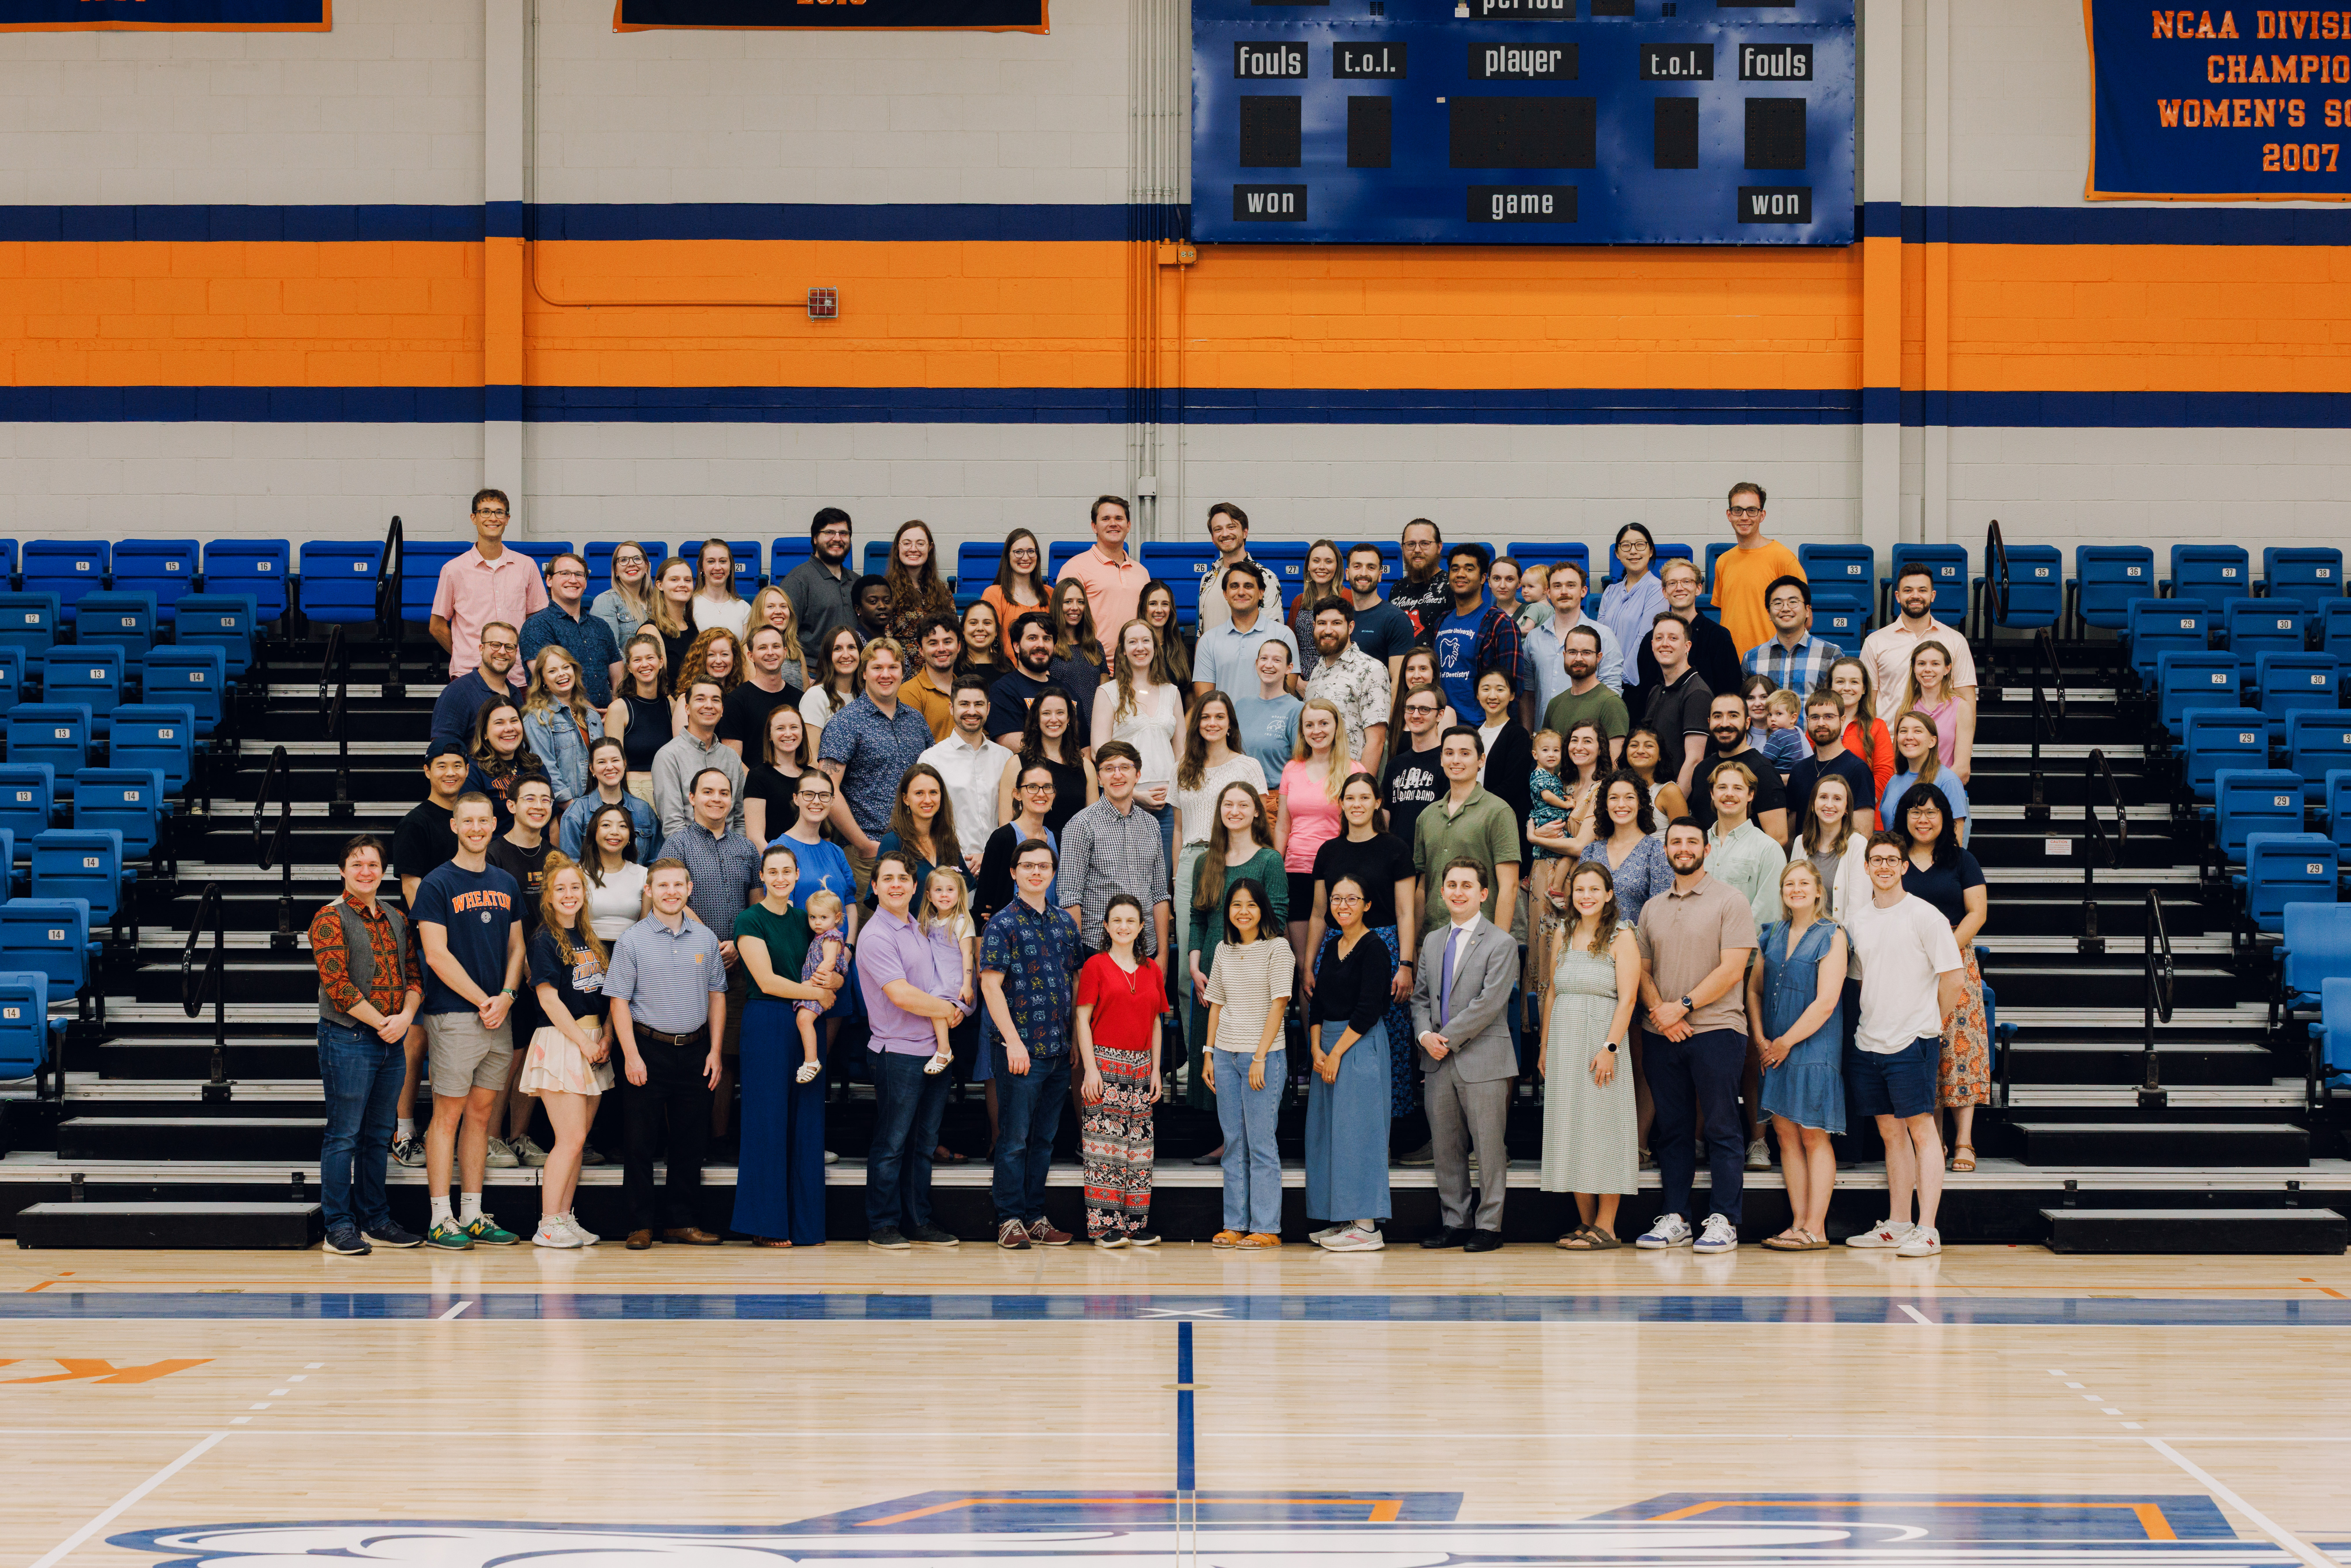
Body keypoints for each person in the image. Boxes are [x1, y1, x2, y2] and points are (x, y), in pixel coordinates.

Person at [1632, 819, 1759, 1255]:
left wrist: (1681, 1006)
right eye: (1675, 843)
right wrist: (1660, 1013)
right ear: (1665, 850)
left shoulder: (1730, 900)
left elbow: (1731, 970)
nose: (1682, 848)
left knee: (1723, 1126)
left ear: (1705, 848)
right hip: (1660, 1032)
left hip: (1717, 1029)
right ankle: (1676, 1217)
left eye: (1691, 842)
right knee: (1673, 1129)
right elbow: (1641, 972)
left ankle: (1724, 1219)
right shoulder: (1651, 907)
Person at [1843, 830, 1965, 1258]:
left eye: (1890, 860)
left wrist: (1930, 1021)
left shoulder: (1925, 916)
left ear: (1903, 866)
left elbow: (1954, 977)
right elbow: (1860, 979)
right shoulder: (1856, 921)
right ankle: (1897, 1224)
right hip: (1869, 1041)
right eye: (1875, 860)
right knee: (1889, 1134)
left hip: (1912, 1040)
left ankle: (1927, 1229)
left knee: (1921, 1131)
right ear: (1866, 867)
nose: (1882, 867)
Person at [413, 793, 525, 1250]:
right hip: (456, 1015)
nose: (477, 828)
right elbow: (436, 956)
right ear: (455, 826)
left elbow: (517, 947)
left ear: (494, 824)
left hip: (498, 1015)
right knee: (448, 1116)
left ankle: (473, 1213)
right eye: (468, 821)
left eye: (484, 820)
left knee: (480, 1117)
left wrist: (507, 996)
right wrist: (485, 1000)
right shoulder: (437, 884)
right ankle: (441, 1217)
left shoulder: (505, 881)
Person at [309, 834, 425, 1256]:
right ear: (343, 871)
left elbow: (414, 975)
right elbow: (337, 986)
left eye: (373, 864)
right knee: (344, 1135)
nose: (365, 871)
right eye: (357, 864)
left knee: (379, 1136)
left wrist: (406, 1018)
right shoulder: (329, 918)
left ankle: (376, 1219)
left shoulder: (396, 918)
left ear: (383, 871)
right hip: (348, 1037)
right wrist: (383, 1023)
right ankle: (338, 1227)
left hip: (391, 1038)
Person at [605, 858, 727, 1249]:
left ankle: (682, 1222)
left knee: (691, 1142)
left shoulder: (705, 939)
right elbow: (619, 1001)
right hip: (647, 1049)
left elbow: (717, 996)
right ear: (649, 891)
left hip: (694, 1050)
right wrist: (630, 1055)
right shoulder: (632, 939)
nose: (671, 892)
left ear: (689, 890)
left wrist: (716, 1050)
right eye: (663, 886)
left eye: (678, 885)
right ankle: (640, 1224)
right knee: (640, 1141)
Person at [733, 842, 846, 1247]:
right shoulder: (749, 919)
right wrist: (815, 993)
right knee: (766, 1121)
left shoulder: (809, 920)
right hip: (767, 1021)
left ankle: (804, 1224)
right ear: (762, 877)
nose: (780, 878)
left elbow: (833, 970)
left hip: (806, 1024)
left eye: (787, 872)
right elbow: (766, 980)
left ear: (797, 876)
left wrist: (831, 984)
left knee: (806, 1119)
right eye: (773, 872)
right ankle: (766, 1224)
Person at [858, 849, 967, 1249]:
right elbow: (901, 995)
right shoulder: (876, 934)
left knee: (923, 1144)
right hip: (897, 1052)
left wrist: (955, 1005)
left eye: (902, 878)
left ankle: (918, 1219)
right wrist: (948, 1010)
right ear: (875, 886)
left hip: (933, 1051)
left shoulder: (919, 926)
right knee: (892, 1143)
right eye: (887, 879)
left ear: (913, 884)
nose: (895, 885)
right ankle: (882, 1224)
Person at [1411, 856, 1518, 1252]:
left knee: (1489, 1147)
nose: (1458, 892)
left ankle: (1489, 1225)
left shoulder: (1500, 943)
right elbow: (1420, 997)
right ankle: (1455, 1221)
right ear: (1441, 892)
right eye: (1451, 885)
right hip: (1436, 1059)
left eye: (1466, 886)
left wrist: (1445, 1038)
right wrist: (1425, 1035)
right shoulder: (1433, 941)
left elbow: (1489, 1004)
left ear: (1483, 893)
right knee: (1446, 1147)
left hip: (1482, 1059)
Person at [657, 765, 763, 1146]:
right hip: (688, 963)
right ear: (692, 798)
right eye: (708, 791)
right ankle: (682, 1141)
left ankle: (716, 1140)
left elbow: (757, 906)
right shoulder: (676, 844)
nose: (716, 799)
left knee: (728, 1055)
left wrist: (740, 942)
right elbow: (671, 898)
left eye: (723, 792)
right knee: (685, 1055)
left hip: (736, 963)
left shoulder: (746, 849)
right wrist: (708, 942)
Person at [1538, 861, 1641, 1250]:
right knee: (1571, 1127)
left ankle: (1607, 1225)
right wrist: (1545, 1045)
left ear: (1609, 894)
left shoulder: (1620, 935)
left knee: (1603, 1128)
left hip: (1601, 1040)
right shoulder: (1562, 932)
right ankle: (1584, 1223)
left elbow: (1628, 997)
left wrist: (1609, 1048)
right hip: (1564, 1040)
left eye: (1594, 890)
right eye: (1579, 889)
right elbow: (1551, 990)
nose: (1586, 896)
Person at [1748, 858, 1848, 1252]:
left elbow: (1826, 1002)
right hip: (1773, 1047)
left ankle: (1817, 1228)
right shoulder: (1771, 932)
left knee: (1812, 1135)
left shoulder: (1833, 934)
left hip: (1812, 1047)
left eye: (1803, 883)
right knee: (1786, 1136)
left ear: (1818, 891)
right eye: (1789, 883)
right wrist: (1759, 1036)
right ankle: (1797, 1223)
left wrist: (1785, 1041)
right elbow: (1754, 990)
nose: (1795, 889)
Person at [1304, 772, 1418, 1116]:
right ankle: (1338, 1112)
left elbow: (1406, 911)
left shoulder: (1395, 848)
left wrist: (1407, 964)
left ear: (1378, 802)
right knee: (1336, 1022)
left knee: (1389, 1032)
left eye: (1365, 798)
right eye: (1350, 798)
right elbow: (1318, 912)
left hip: (1382, 945)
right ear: (1341, 804)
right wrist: (1308, 964)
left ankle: (1390, 1122)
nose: (1357, 804)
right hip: (1337, 946)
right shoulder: (1329, 851)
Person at [1894, 781, 1990, 1179]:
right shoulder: (1894, 860)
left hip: (1954, 961)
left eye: (1931, 812)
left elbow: (1977, 913)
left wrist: (1943, 950)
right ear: (1903, 817)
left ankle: (1964, 1140)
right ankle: (1932, 1138)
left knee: (1959, 1048)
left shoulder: (1961, 860)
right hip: (1905, 963)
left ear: (1945, 819)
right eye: (1915, 812)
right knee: (1921, 1047)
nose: (1923, 819)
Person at [518, 856, 612, 1249]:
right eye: (561, 889)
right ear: (549, 897)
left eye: (575, 888)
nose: (569, 895)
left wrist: (604, 1037)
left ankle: (565, 1218)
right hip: (563, 1041)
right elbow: (549, 1000)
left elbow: (603, 996)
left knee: (579, 1138)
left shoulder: (587, 937)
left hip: (591, 1041)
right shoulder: (543, 939)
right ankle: (547, 1223)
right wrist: (584, 1042)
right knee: (569, 1139)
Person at [1184, 781, 1287, 1122]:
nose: (1235, 811)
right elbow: (1198, 917)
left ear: (1257, 811)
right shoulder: (1205, 862)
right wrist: (1195, 966)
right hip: (1212, 968)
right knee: (1214, 1050)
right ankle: (1223, 1136)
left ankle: (1250, 1130)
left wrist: (1249, 963)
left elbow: (1278, 917)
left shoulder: (1269, 860)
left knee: (1248, 1047)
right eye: (1228, 805)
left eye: (1244, 805)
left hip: (1252, 969)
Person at [1305, 871, 1396, 1252]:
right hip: (1326, 1048)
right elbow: (1319, 1003)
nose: (1342, 906)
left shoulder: (1374, 948)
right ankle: (1344, 1217)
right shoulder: (1331, 945)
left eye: (1351, 899)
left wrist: (1336, 1053)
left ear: (1367, 904)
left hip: (1356, 1047)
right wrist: (1316, 1048)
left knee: (1360, 1134)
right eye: (1337, 899)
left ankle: (1366, 1226)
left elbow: (1368, 1009)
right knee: (1330, 1136)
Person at [1074, 893, 1169, 1247]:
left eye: (1131, 920)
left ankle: (1134, 1224)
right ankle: (1104, 1227)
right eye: (1117, 920)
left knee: (1138, 1149)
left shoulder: (1152, 970)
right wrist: (1091, 1069)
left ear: (1143, 926)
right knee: (1105, 1149)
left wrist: (1156, 1069)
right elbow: (1083, 1018)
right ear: (1106, 926)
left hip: (1142, 1066)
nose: (1124, 927)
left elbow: (1157, 1022)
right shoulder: (1097, 965)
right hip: (1106, 1063)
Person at [1201, 876, 1292, 1247]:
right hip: (1225, 1054)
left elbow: (1279, 1004)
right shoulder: (1223, 949)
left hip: (1263, 1057)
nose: (1243, 911)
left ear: (1262, 909)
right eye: (1236, 905)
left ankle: (1267, 1228)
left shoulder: (1278, 948)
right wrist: (1208, 1053)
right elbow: (1216, 1004)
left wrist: (1259, 1055)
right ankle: (1235, 1223)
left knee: (1261, 1142)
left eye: (1251, 904)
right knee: (1234, 1141)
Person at [1170, 689, 1266, 1037]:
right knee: (1187, 965)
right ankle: (1193, 1051)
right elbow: (1179, 827)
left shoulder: (1247, 766)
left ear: (1230, 724)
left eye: (1219, 717)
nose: (1212, 723)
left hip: (1233, 858)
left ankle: (1232, 1039)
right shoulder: (1183, 767)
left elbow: (1259, 821)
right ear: (1197, 724)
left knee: (1234, 956)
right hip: (1191, 863)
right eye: (1206, 717)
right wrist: (1179, 874)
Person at [816, 637, 935, 892]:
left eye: (893, 667)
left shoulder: (916, 721)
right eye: (877, 668)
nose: (886, 675)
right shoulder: (845, 723)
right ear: (864, 674)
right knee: (867, 930)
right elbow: (827, 790)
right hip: (869, 854)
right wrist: (863, 844)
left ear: (903, 673)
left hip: (918, 852)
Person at [485, 775, 558, 1169]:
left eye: (545, 799)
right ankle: (491, 1137)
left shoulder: (553, 856)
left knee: (534, 1056)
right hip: (508, 971)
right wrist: (523, 967)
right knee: (509, 1058)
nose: (538, 805)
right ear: (510, 806)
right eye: (529, 798)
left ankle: (519, 1136)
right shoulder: (495, 854)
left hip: (546, 973)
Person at [1060, 740, 1172, 961]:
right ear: (1099, 778)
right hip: (1097, 948)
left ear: (1138, 775)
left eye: (1125, 767)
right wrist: (1078, 960)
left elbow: (1159, 894)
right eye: (1109, 769)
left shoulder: (1151, 825)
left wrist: (1164, 954)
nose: (1117, 775)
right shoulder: (1081, 824)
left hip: (1144, 948)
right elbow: (1070, 897)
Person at [1093, 618, 1183, 883]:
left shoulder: (1172, 692)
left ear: (1156, 647)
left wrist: (1175, 793)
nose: (1139, 647)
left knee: (1161, 883)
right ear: (1122, 650)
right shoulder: (1108, 692)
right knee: (1126, 881)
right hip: (1124, 800)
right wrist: (1135, 794)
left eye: (1146, 641)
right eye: (1132, 642)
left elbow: (1183, 754)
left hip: (1168, 806)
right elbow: (1101, 751)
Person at [1411, 726, 1519, 942]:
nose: (1456, 760)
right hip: (1432, 938)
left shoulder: (1498, 812)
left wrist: (1497, 945)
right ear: (1441, 759)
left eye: (1465, 753)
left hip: (1480, 938)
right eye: (1449, 753)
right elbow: (1423, 885)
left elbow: (1510, 886)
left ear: (1481, 760)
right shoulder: (1426, 816)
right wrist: (1414, 944)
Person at [1277, 700, 1362, 969]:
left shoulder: (1354, 770)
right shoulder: (1292, 769)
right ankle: (1307, 1014)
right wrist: (1275, 868)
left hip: (1338, 875)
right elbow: (1282, 826)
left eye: (1324, 723)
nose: (1317, 730)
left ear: (1337, 727)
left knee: (1336, 963)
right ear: (1302, 731)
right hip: (1297, 872)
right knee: (1305, 965)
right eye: (1309, 724)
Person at [430, 489, 547, 686]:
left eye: (499, 512)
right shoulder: (453, 569)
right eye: (486, 512)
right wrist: (464, 653)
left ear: (507, 519)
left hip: (517, 675)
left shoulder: (527, 566)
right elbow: (437, 625)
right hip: (470, 674)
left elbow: (537, 620)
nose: (493, 518)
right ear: (474, 518)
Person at [1863, 564, 1980, 753]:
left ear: (1932, 596)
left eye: (1922, 590)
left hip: (1940, 745)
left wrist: (1963, 750)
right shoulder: (1875, 642)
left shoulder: (1954, 640)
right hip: (1887, 743)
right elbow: (1869, 701)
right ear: (1898, 596)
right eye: (1908, 590)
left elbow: (1967, 699)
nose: (1915, 596)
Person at [921, 675, 1015, 873]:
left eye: (978, 704)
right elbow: (924, 821)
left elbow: (1015, 816)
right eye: (964, 704)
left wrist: (991, 855)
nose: (972, 711)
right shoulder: (931, 760)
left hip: (999, 865)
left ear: (988, 709)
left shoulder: (1006, 758)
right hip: (950, 869)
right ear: (951, 708)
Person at [1629, 558, 1741, 714]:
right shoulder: (1651, 640)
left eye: (1686, 582)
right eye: (1672, 583)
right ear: (1665, 592)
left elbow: (1730, 693)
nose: (1679, 588)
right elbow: (1646, 695)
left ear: (1698, 589)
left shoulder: (1719, 637)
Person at [1708, 482, 1805, 655]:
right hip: (1730, 661)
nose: (1745, 517)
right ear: (1729, 515)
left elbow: (1805, 618)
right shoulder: (1723, 562)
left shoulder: (1783, 558)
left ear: (1762, 515)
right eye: (1738, 510)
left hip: (1770, 662)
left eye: (1752, 510)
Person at [1524, 561, 1624, 727]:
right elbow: (1528, 694)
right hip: (1545, 743)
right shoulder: (1534, 638)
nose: (1564, 592)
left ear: (1583, 591)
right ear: (1548, 592)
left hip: (1586, 741)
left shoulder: (1604, 635)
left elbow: (1612, 691)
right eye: (1557, 586)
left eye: (1571, 585)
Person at [1431, 544, 1525, 721]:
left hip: (1480, 731)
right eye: (1455, 569)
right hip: (1442, 727)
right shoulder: (1441, 622)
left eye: (1469, 569)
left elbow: (1513, 688)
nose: (1461, 574)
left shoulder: (1501, 624)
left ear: (1483, 578)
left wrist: (1495, 733)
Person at [520, 552, 622, 710]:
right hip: (560, 722)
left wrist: (616, 712)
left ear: (586, 582)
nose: (573, 580)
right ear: (549, 580)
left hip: (608, 719)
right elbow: (549, 681)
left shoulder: (600, 626)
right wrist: (593, 715)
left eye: (579, 575)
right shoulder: (536, 626)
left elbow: (618, 679)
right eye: (565, 574)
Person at [1302, 599, 1392, 775]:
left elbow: (1377, 741)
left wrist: (1362, 790)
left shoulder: (1371, 670)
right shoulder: (1318, 670)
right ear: (1314, 626)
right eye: (1322, 623)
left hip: (1349, 782)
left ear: (1351, 627)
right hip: (1315, 781)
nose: (1328, 630)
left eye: (1336, 623)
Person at [986, 610, 1101, 748]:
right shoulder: (1004, 690)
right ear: (1017, 646)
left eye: (1047, 639)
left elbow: (1084, 748)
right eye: (1033, 638)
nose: (1041, 645)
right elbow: (1014, 746)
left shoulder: (1068, 692)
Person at [1689, 692, 1790, 845]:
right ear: (1709, 722)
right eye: (1718, 716)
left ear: (1747, 723)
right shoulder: (1702, 769)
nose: (1724, 724)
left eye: (1733, 716)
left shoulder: (1762, 771)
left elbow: (1778, 838)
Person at [652, 679, 747, 840]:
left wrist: (735, 854)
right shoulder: (669, 756)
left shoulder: (731, 757)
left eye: (715, 700)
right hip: (687, 857)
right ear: (687, 709)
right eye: (701, 699)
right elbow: (673, 825)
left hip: (731, 856)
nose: (709, 705)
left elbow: (740, 820)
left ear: (722, 710)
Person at [1193, 560, 1300, 700]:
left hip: (1267, 722)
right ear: (1226, 594)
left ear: (1261, 593)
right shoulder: (1208, 640)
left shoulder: (1283, 635)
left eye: (1248, 586)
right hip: (1225, 722)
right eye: (1234, 586)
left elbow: (1287, 696)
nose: (1241, 592)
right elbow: (1205, 700)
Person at [976, 761, 1066, 926]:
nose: (1041, 794)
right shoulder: (1002, 839)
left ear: (1054, 794)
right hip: (1010, 936)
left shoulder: (1060, 840)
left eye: (1047, 787)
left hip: (1052, 934)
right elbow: (983, 904)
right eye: (1032, 787)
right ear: (1017, 794)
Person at [998, 684, 1094, 837]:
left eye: (1060, 713)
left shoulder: (1086, 767)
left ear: (1069, 718)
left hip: (1074, 854)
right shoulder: (1017, 764)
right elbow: (1006, 825)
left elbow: (1092, 824)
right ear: (1037, 718)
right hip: (1031, 855)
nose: (1054, 719)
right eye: (1047, 713)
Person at [519, 647, 604, 813]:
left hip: (598, 805)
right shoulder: (536, 718)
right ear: (543, 680)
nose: (562, 674)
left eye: (566, 667)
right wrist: (571, 806)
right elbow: (544, 767)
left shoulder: (591, 715)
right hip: (564, 810)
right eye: (552, 671)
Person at [868, 762, 962, 912]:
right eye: (919, 793)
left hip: (947, 931)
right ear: (906, 799)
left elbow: (963, 888)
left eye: (933, 792)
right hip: (908, 931)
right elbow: (879, 899)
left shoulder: (948, 839)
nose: (927, 800)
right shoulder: (893, 842)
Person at [1638, 615, 1712, 804]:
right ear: (1652, 644)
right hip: (1651, 799)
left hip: (1672, 807)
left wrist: (1670, 808)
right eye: (1659, 638)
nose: (1665, 644)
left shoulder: (1697, 693)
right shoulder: (1656, 690)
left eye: (1673, 638)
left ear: (1687, 646)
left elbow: (1695, 760)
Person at [1785, 690, 1880, 838]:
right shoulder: (1799, 770)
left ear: (1842, 720)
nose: (1821, 723)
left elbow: (1863, 835)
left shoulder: (1858, 769)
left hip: (1841, 858)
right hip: (1803, 857)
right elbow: (1792, 833)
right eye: (1815, 717)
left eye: (1829, 717)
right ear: (1808, 721)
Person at [1537, 623, 1631, 766]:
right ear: (1565, 655)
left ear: (1599, 657)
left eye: (1586, 653)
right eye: (1573, 652)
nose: (1579, 659)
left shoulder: (1611, 703)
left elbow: (1614, 765)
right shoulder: (1555, 704)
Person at [916, 866, 979, 1075]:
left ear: (959, 893)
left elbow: (968, 954)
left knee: (937, 1004)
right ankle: (940, 1048)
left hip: (956, 977)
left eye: (950, 890)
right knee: (936, 1007)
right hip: (939, 976)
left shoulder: (961, 922)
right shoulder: (929, 923)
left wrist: (967, 985)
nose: (944, 895)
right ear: (929, 895)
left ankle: (944, 1051)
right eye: (939, 890)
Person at [1057, 494, 1148, 636]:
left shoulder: (1142, 572)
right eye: (1106, 519)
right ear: (1095, 527)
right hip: (1091, 657)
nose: (1113, 524)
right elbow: (1062, 622)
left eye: (1119, 519)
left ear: (1129, 526)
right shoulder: (1075, 568)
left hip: (1134, 656)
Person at [781, 507, 858, 670]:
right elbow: (783, 635)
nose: (838, 539)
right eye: (829, 532)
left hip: (852, 673)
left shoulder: (857, 582)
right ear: (816, 538)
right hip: (813, 675)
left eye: (844, 533)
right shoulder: (798, 580)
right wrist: (803, 676)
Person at [1790, 771, 1872, 922]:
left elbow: (1858, 907)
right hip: (1803, 935)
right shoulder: (1800, 843)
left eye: (1837, 799)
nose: (1829, 805)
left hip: (1839, 939)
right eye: (1823, 797)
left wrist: (1843, 942)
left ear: (1847, 808)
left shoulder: (1858, 845)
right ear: (1814, 805)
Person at [395, 742, 469, 910]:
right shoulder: (414, 824)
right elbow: (411, 888)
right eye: (442, 766)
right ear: (428, 771)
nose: (451, 773)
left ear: (467, 771)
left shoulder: (469, 819)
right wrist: (432, 929)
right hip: (432, 928)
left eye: (457, 766)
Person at [1741, 574, 1842, 697]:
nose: (1786, 609)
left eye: (1793, 602)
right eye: (1778, 603)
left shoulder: (1830, 654)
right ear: (1769, 613)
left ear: (1807, 611)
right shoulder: (1752, 658)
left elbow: (1840, 703)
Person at [1469, 669, 1536, 852]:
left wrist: (1476, 807)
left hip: (1504, 821)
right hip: (1471, 820)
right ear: (1477, 694)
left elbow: (1513, 785)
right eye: (1486, 689)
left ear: (1512, 695)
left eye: (1500, 690)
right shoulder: (1472, 735)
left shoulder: (1518, 735)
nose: (1493, 696)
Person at [462, 697, 550, 833]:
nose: (509, 728)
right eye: (500, 723)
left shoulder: (536, 766)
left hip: (539, 850)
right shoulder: (473, 772)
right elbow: (472, 827)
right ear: (485, 733)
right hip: (494, 852)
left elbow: (552, 824)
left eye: (514, 721)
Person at [1196, 501, 1284, 635]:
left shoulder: (1265, 577)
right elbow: (1201, 633)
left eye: (1231, 527)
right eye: (1218, 530)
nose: (1225, 534)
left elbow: (1273, 635)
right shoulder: (1208, 578)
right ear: (1213, 539)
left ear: (1245, 532)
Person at [429, 620, 521, 747]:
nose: (502, 652)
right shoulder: (458, 692)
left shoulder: (516, 694)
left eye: (509, 647)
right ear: (482, 649)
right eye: (495, 645)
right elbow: (443, 749)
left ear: (516, 653)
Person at [1228, 639, 1304, 795]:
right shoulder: (1241, 705)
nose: (1269, 665)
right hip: (1238, 795)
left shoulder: (1297, 710)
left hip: (1275, 799)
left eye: (1277, 660)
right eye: (1264, 659)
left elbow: (1302, 765)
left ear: (1289, 668)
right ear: (1257, 663)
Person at [1378, 683, 1448, 850]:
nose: (1416, 715)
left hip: (1433, 856)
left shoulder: (1448, 762)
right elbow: (1386, 815)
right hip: (1397, 858)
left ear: (1440, 715)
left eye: (1425, 709)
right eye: (1410, 709)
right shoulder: (1395, 764)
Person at [1885, 711, 1971, 845]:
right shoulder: (1893, 782)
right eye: (1903, 731)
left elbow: (1956, 843)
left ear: (1932, 741)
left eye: (1918, 731)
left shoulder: (1948, 781)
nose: (1909, 737)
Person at [791, 890, 849, 1084]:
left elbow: (829, 963)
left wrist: (810, 983)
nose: (817, 922)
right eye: (813, 917)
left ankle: (812, 1061)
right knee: (803, 1020)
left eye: (824, 917)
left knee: (803, 1019)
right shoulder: (822, 935)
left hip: (821, 987)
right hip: (818, 988)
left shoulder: (831, 937)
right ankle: (811, 1059)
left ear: (837, 917)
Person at [607, 634, 672, 804]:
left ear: (661, 662)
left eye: (650, 658)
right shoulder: (619, 709)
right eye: (637, 660)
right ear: (629, 667)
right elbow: (613, 762)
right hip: (635, 791)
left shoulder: (672, 707)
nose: (645, 665)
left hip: (669, 790)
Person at [719, 625, 801, 760]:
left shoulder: (801, 699)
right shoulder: (736, 701)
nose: (770, 652)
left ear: (785, 652)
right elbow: (734, 763)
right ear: (751, 656)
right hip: (751, 780)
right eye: (763, 648)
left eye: (776, 646)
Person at [738, 703, 814, 849]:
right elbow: (755, 837)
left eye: (794, 727)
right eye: (780, 728)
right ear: (770, 736)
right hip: (776, 864)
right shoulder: (758, 777)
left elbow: (823, 830)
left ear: (803, 733)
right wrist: (784, 867)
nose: (788, 734)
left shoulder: (811, 776)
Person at [1342, 542, 1417, 688]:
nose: (1364, 573)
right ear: (1347, 573)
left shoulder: (1396, 619)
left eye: (1371, 567)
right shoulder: (1342, 618)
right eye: (1357, 566)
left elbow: (1398, 682)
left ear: (1380, 575)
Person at [1894, 639, 1971, 779]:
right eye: (1922, 664)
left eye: (1935, 664)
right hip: (1911, 794)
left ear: (1947, 669)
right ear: (1914, 669)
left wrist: (1929, 792)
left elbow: (1962, 769)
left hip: (1944, 793)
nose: (1928, 669)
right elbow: (1898, 765)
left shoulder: (1961, 708)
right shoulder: (1904, 710)